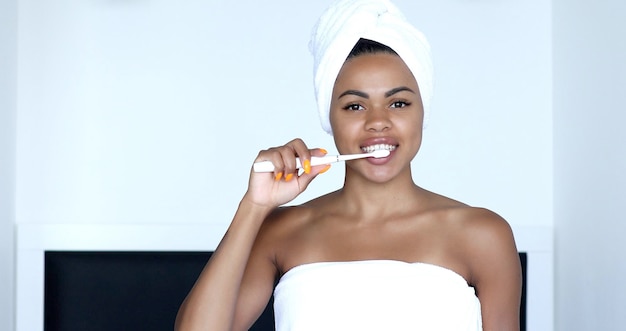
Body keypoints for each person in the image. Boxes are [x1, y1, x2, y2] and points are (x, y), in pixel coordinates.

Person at [175, 0, 522, 330]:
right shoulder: (280, 232)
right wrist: (254, 206)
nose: (377, 122)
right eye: (355, 106)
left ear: (422, 112)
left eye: (398, 103)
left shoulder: (483, 235)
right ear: (329, 118)